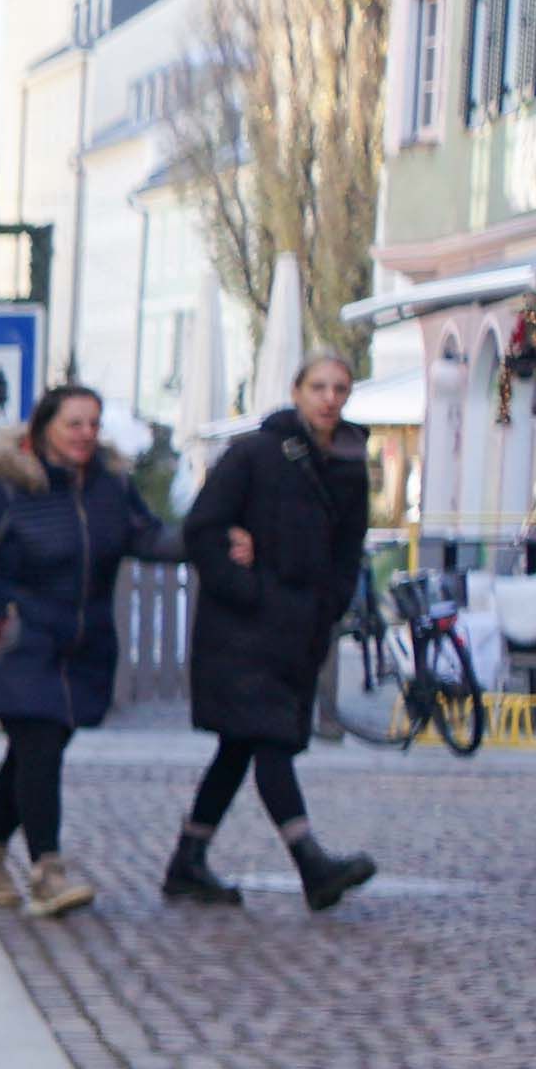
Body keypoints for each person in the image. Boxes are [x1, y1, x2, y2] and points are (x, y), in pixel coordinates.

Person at [0, 380, 173, 918]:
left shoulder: (109, 488)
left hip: (82, 644)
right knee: (40, 744)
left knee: (36, 748)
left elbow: (149, 538)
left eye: (93, 424)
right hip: (15, 640)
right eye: (73, 423)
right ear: (43, 428)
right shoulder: (7, 488)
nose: (85, 434)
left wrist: (217, 537)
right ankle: (47, 872)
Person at [163, 352, 383, 911]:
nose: (329, 398)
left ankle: (187, 861)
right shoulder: (255, 453)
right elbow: (203, 528)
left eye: (339, 388)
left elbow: (349, 544)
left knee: (240, 745)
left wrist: (330, 604)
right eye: (318, 387)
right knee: (270, 741)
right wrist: (246, 588)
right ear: (297, 391)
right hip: (242, 628)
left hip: (300, 628)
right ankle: (311, 865)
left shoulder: (351, 460)